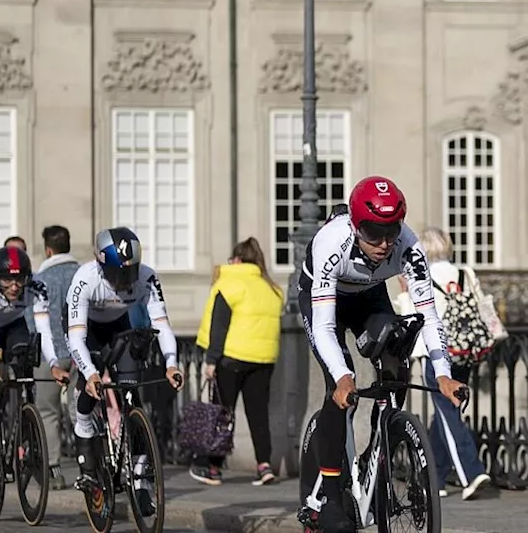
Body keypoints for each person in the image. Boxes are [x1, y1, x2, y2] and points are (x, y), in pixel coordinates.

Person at [299, 176, 465, 533]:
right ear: (356, 226)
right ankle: (329, 494)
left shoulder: (407, 245)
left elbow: (429, 314)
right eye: (373, 233)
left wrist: (443, 373)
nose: (384, 243)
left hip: (369, 296)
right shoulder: (332, 243)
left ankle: (380, 446)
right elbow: (326, 327)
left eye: (391, 231)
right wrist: (343, 378)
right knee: (341, 387)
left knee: (397, 358)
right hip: (325, 300)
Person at [66, 227, 184, 512]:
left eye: (128, 275)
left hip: (119, 326)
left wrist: (171, 365)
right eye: (117, 275)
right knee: (89, 389)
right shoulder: (85, 280)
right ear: (100, 264)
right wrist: (92, 373)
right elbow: (76, 338)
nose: (123, 282)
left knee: (132, 398)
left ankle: (141, 481)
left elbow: (163, 324)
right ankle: (87, 446)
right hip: (89, 331)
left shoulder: (146, 276)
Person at [0, 246, 66, 496]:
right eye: (7, 280)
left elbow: (44, 332)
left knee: (25, 360)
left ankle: (26, 420)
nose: (14, 286)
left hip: (14, 327)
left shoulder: (36, 286)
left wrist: (54, 363)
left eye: (19, 279)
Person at [404, 227, 493, 500]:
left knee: (447, 412)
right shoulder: (465, 272)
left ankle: (471, 472)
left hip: (438, 353)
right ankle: (435, 478)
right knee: (442, 414)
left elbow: (415, 316)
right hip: (465, 349)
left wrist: (414, 355)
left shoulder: (421, 274)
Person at [190, 237, 284, 487]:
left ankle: (213, 468)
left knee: (222, 414)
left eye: (232, 258)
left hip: (232, 358)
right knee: (258, 415)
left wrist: (211, 361)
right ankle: (264, 466)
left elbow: (219, 327)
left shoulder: (229, 283)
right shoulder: (271, 287)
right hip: (263, 360)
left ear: (238, 260)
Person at [32, 225, 82, 489]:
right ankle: (91, 466)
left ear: (48, 249)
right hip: (79, 353)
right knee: (82, 412)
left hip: (49, 354)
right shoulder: (82, 273)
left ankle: (53, 469)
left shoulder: (41, 278)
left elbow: (33, 321)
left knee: (48, 412)